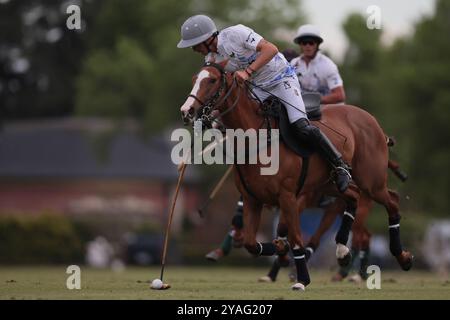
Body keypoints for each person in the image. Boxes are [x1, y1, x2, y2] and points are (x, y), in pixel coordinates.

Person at [178, 14, 352, 193]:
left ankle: (340, 166)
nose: (194, 49)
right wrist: (210, 115)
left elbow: (271, 49)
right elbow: (224, 91)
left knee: (300, 125)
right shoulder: (211, 60)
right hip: (257, 87)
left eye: (195, 45)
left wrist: (248, 71)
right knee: (238, 124)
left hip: (281, 79)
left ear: (207, 39)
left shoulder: (236, 34)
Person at [290, 24, 345, 104]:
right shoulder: (293, 63)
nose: (307, 46)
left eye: (311, 43)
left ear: (317, 44)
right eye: (304, 43)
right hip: (305, 108)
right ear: (300, 45)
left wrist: (312, 101)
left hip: (328, 108)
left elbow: (340, 96)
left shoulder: (328, 66)